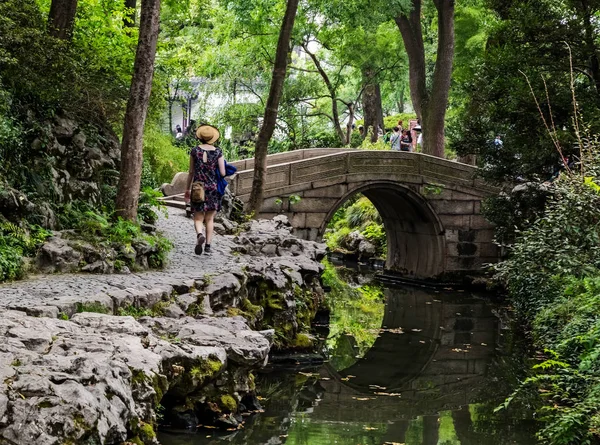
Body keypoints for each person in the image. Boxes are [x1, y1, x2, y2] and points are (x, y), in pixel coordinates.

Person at [184, 125, 226, 255]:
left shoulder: (194, 151)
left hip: (198, 187)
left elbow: (191, 172)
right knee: (209, 219)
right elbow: (223, 173)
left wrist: (187, 189)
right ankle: (208, 246)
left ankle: (199, 235)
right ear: (213, 138)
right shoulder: (218, 152)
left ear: (200, 137)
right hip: (212, 187)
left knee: (198, 217)